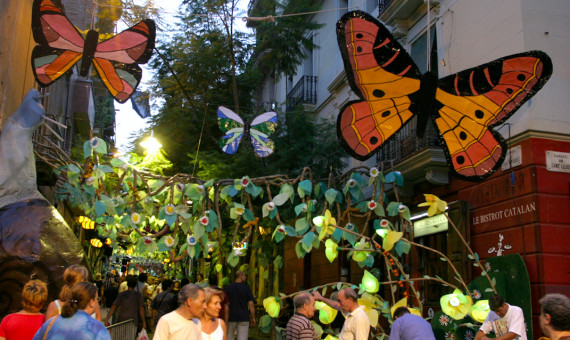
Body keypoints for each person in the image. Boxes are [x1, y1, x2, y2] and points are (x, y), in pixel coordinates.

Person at [32, 282, 110, 340]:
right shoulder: (97, 329)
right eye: (96, 299)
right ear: (91, 302)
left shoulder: (51, 323)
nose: (97, 302)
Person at [224, 271, 256, 340]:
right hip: (243, 317)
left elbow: (226, 305)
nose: (245, 277)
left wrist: (225, 319)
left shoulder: (228, 288)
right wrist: (253, 317)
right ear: (241, 276)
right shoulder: (246, 288)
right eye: (244, 275)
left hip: (231, 317)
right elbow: (251, 304)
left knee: (229, 338)